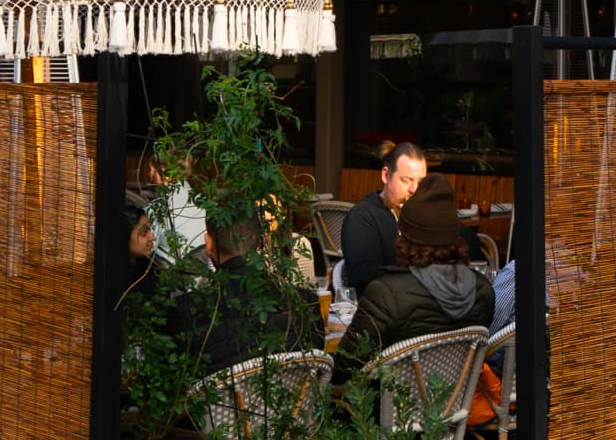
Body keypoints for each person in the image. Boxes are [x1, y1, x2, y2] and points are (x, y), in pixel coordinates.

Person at [334, 173, 494, 376]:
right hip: (454, 402)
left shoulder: (386, 294)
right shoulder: (483, 289)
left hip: (393, 405)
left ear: (405, 239)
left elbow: (344, 369)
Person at [172, 214, 320, 379]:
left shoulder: (188, 311)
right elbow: (318, 368)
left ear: (209, 244)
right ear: (261, 242)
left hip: (223, 404)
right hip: (297, 402)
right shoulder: (305, 302)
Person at [340, 141, 428, 295]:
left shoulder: (423, 215)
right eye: (406, 180)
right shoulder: (362, 216)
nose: (414, 189)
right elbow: (363, 277)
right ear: (386, 175)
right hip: (382, 310)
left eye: (420, 182)